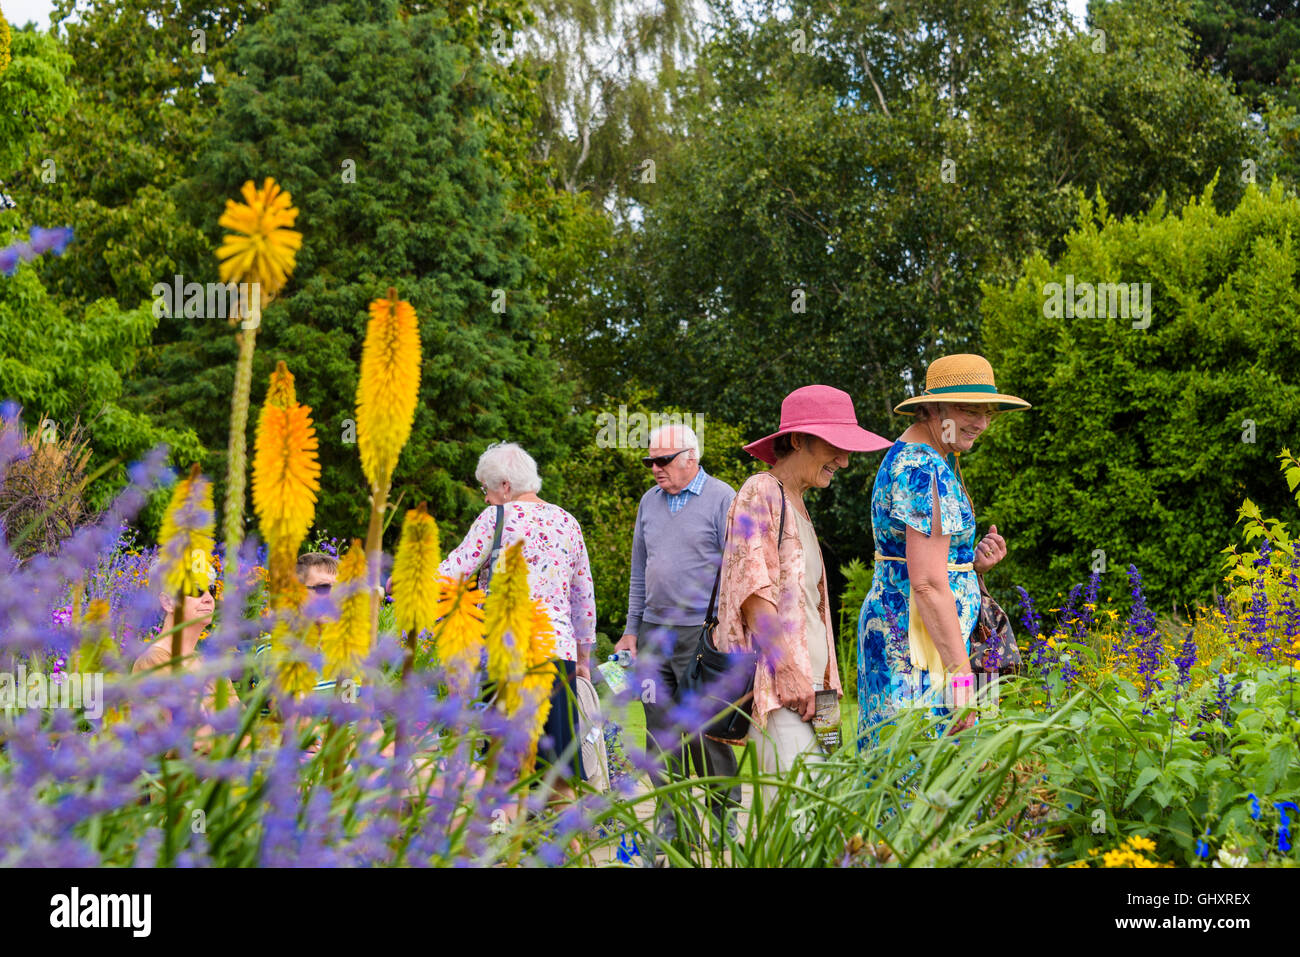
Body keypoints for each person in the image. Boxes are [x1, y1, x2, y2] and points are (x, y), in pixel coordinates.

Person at [716, 385, 891, 805]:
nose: (845, 460)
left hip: (820, 689)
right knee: (796, 816)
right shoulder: (761, 491)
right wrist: (788, 671)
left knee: (826, 811)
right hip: (784, 684)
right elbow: (753, 593)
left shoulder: (798, 503)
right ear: (798, 440)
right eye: (836, 445)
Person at [856, 353, 1029, 749]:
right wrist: (962, 682)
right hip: (918, 652)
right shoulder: (924, 469)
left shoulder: (924, 458)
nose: (982, 423)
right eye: (970, 409)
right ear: (933, 409)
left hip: (911, 636)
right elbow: (929, 584)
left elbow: (927, 563)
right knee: (919, 776)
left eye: (989, 412)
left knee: (908, 771)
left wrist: (969, 565)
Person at [440, 442, 597, 784]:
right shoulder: (568, 522)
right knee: (558, 769)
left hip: (504, 653)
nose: (485, 498)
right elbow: (582, 596)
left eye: (487, 489)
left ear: (506, 486)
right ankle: (564, 835)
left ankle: (508, 832)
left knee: (505, 765)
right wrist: (583, 656)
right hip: (556, 653)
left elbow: (451, 573)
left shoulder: (495, 518)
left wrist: (403, 581)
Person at [612, 423, 737, 845]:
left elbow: (735, 572)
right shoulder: (649, 501)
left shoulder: (723, 498)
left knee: (708, 733)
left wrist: (725, 630)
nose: (654, 469)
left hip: (701, 636)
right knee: (659, 736)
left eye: (662, 460)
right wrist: (631, 630)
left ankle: (723, 826)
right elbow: (638, 572)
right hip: (652, 634)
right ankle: (674, 833)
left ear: (691, 458)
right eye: (649, 461)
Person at [132, 560, 238, 752]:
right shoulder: (155, 662)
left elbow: (243, 726)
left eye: (211, 590)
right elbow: (196, 738)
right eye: (196, 590)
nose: (208, 598)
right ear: (168, 602)